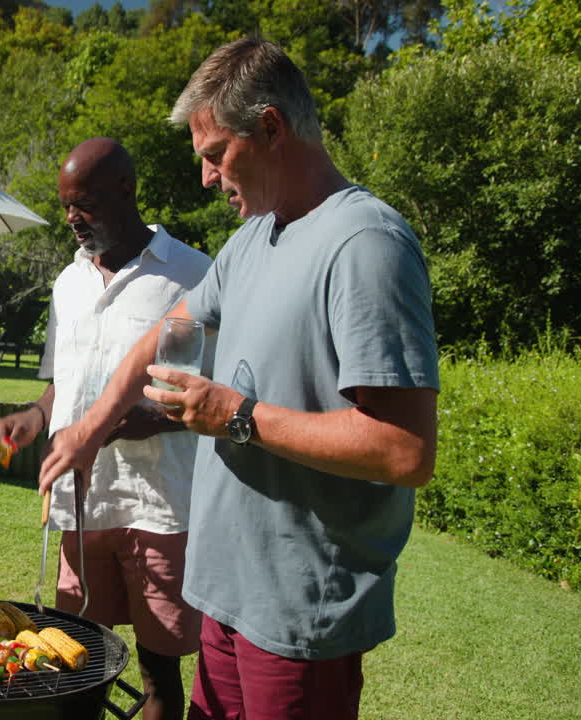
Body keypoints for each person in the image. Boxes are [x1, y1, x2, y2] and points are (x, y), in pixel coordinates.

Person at [39, 38, 439, 720]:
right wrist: (88, 430)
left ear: (272, 128)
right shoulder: (252, 238)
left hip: (300, 610)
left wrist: (235, 415)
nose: (205, 178)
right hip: (227, 592)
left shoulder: (365, 243)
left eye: (216, 154)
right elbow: (161, 333)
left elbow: (405, 450)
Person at [0, 137, 212, 720]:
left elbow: (202, 396)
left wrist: (114, 426)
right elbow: (61, 381)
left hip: (157, 506)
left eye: (84, 205)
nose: (72, 218)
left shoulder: (192, 275)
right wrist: (35, 416)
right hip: (81, 507)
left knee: (158, 675)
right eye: (66, 205)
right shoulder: (69, 282)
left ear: (126, 190)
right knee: (76, 669)